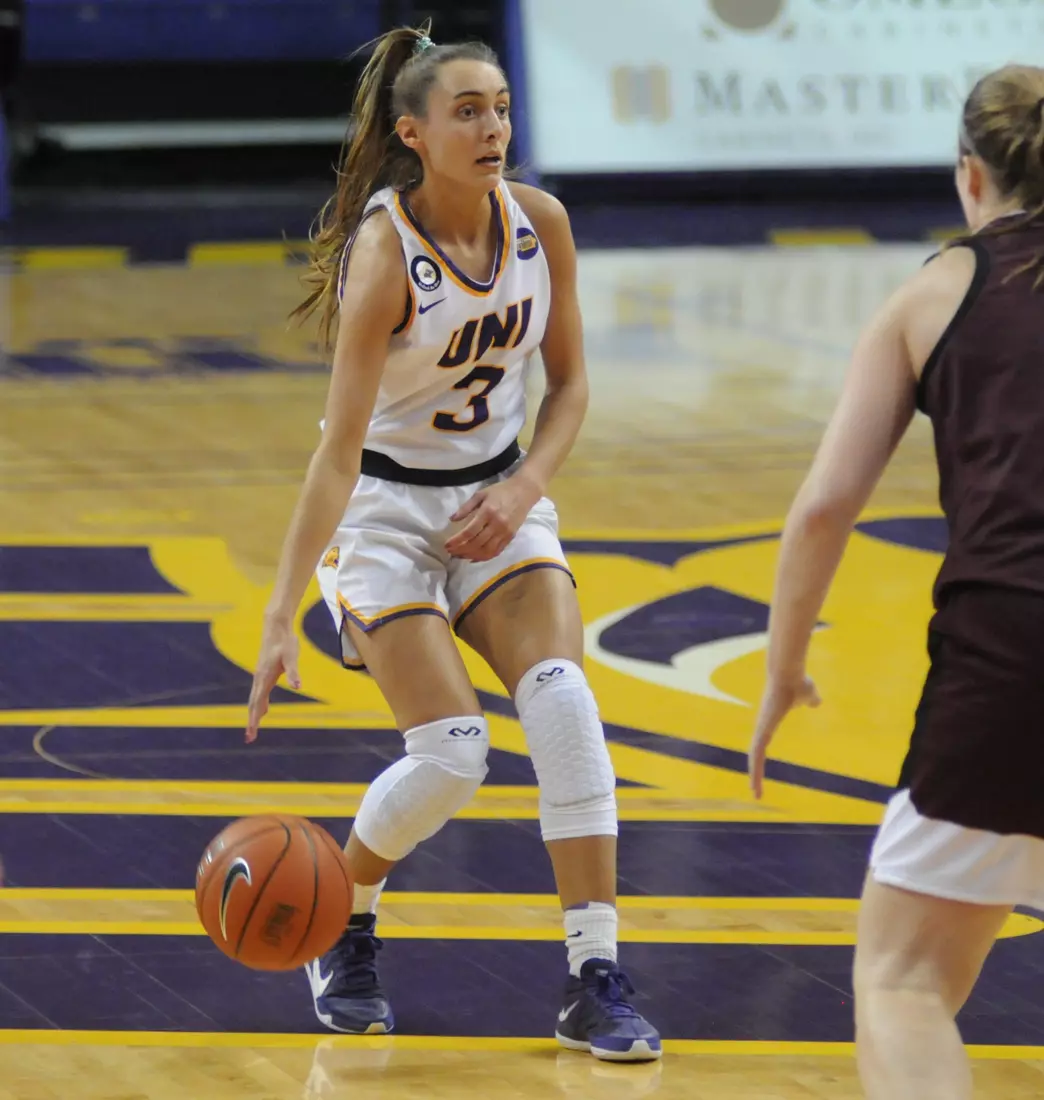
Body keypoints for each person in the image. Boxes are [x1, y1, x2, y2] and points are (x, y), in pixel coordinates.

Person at [245, 22, 661, 1064]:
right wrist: (279, 608)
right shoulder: (385, 255)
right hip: (383, 512)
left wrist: (522, 485)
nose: (493, 127)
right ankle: (346, 917)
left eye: (503, 108)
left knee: (563, 698)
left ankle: (592, 974)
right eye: (468, 111)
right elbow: (336, 452)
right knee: (455, 753)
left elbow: (568, 389)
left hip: (496, 499)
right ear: (414, 134)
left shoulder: (542, 223)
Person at [747, 63, 1044, 1100]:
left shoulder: (934, 292)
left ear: (970, 176)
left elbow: (825, 506)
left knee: (904, 978)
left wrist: (782, 667)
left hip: (1011, 656)